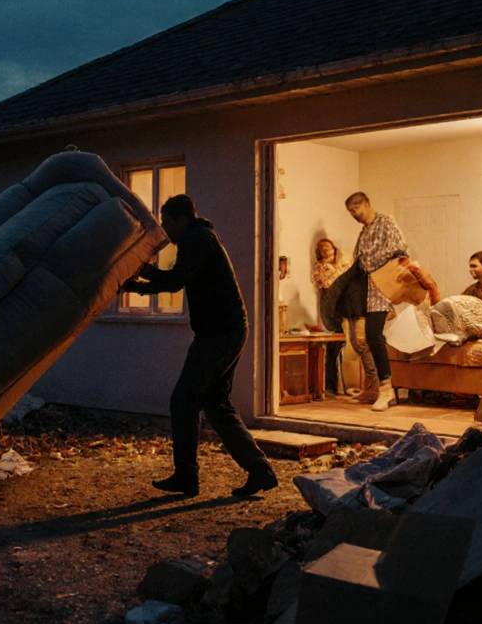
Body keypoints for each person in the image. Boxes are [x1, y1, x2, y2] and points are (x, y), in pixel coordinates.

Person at [122, 194, 278, 497]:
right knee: (216, 405)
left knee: (184, 400)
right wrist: (138, 284)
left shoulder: (196, 240)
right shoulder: (202, 237)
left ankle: (187, 476)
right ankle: (260, 471)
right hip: (227, 331)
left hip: (218, 334)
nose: (166, 229)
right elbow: (178, 280)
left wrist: (141, 273)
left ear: (182, 218)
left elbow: (175, 281)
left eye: (167, 221)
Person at [346, 192, 407, 411]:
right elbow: (359, 259)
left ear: (366, 204)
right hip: (366, 287)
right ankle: (375, 387)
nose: (353, 214)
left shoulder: (386, 223)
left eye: (355, 209)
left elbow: (399, 249)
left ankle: (386, 390)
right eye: (350, 212)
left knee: (373, 334)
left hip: (382, 284)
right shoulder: (364, 233)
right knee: (364, 338)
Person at [310, 238, 350, 395]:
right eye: (322, 249)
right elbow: (327, 284)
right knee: (335, 344)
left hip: (342, 307)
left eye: (328, 247)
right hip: (330, 308)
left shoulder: (342, 264)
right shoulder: (322, 268)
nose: (325, 251)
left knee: (340, 344)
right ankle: (332, 385)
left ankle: (335, 385)